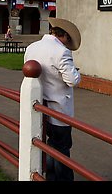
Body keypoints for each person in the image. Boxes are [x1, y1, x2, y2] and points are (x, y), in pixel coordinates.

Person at [24, 17, 82, 181]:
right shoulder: (61, 52)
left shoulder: (31, 48)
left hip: (40, 106)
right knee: (62, 148)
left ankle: (50, 176)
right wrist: (77, 73)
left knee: (47, 146)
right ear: (63, 36)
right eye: (67, 41)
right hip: (59, 109)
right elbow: (72, 80)